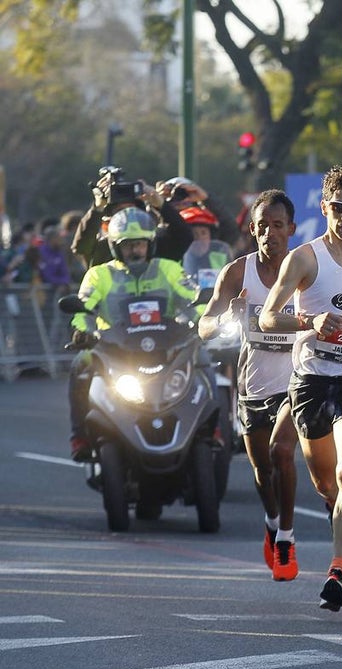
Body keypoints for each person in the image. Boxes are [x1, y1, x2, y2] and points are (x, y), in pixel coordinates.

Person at [258, 164, 342, 612]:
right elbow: (267, 317)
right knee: (326, 484)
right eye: (339, 208)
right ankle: (339, 518)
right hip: (312, 382)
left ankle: (337, 569)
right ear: (325, 208)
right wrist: (308, 322)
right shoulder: (305, 258)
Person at [198, 190, 301, 581]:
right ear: (252, 230)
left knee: (282, 454)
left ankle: (287, 539)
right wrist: (228, 316)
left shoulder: (304, 270)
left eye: (278, 226)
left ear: (290, 229)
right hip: (253, 383)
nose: (270, 233)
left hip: (296, 381)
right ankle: (273, 521)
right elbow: (204, 325)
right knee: (261, 469)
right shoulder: (238, 273)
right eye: (262, 227)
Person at [67, 208, 197, 459]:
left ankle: (210, 429)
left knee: (203, 360)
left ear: (150, 244)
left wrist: (203, 319)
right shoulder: (99, 274)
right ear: (115, 247)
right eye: (127, 246)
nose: (134, 250)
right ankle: (80, 437)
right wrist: (81, 331)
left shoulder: (169, 269)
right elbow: (83, 308)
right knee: (79, 365)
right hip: (114, 351)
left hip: (167, 347)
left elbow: (194, 299)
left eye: (139, 244)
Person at [72, 167, 193, 268]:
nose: (127, 215)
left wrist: (161, 204)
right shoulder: (104, 248)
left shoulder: (155, 242)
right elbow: (82, 247)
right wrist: (97, 208)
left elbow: (184, 236)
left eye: (140, 244)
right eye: (119, 211)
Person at [180, 205, 234, 296]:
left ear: (211, 236)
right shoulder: (177, 260)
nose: (199, 238)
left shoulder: (221, 257)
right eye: (194, 234)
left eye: (203, 233)